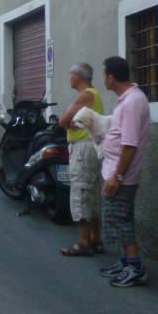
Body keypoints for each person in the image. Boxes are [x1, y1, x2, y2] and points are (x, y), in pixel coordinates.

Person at [97, 55, 151, 287]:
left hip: (120, 175)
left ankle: (135, 266)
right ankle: (125, 261)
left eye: (103, 75)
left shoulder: (132, 102)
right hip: (114, 171)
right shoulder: (127, 99)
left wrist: (117, 176)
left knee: (120, 220)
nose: (103, 80)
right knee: (119, 218)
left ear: (110, 77)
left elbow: (129, 144)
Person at [58, 63, 105, 257]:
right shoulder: (93, 95)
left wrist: (69, 122)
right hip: (90, 146)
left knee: (80, 192)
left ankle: (84, 242)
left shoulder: (86, 95)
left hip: (83, 148)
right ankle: (96, 239)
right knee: (91, 193)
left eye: (71, 74)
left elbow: (62, 121)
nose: (69, 78)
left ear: (78, 76)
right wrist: (71, 122)